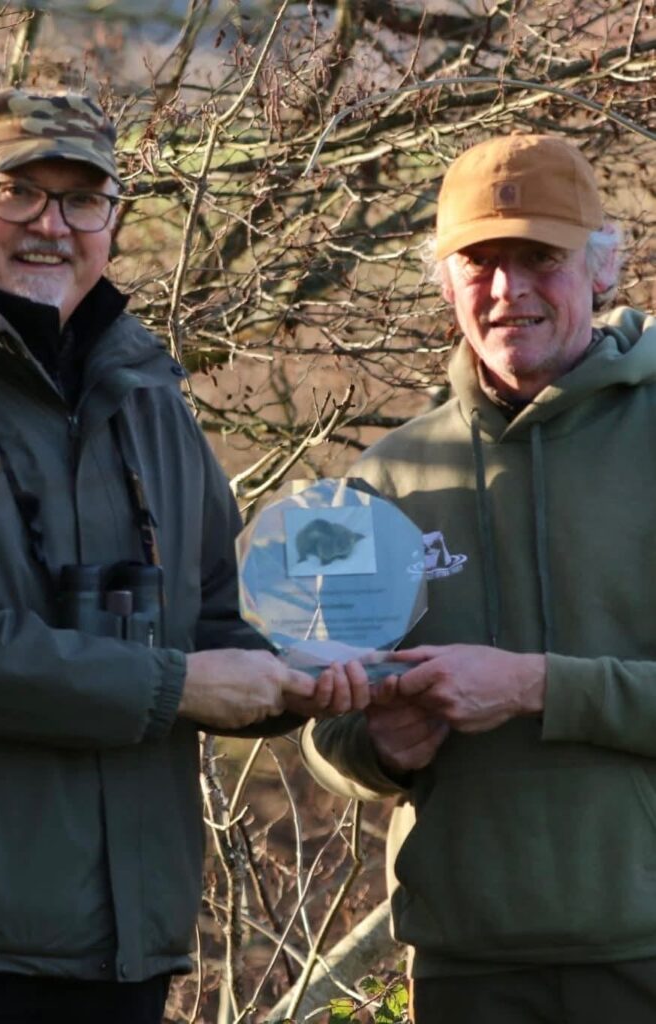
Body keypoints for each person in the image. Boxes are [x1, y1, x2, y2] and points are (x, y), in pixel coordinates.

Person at [0, 88, 369, 1024]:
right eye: (17, 191)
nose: (52, 225)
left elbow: (209, 618)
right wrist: (179, 686)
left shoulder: (147, 393)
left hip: (126, 947)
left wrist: (304, 673)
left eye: (82, 200)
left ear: (114, 217)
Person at [301, 133, 656, 1023]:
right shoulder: (382, 484)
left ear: (601, 269)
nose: (509, 291)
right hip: (466, 962)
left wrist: (539, 686)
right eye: (480, 262)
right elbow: (326, 733)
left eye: (540, 258)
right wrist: (380, 747)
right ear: (446, 280)